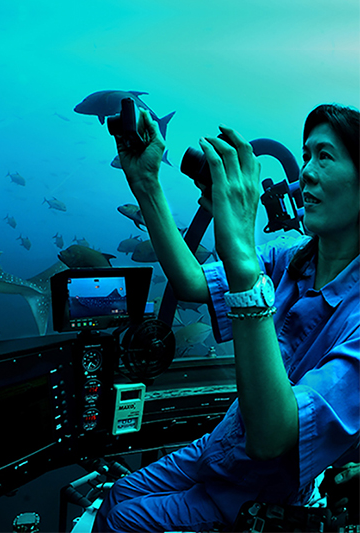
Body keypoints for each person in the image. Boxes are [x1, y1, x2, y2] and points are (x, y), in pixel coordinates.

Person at [93, 103, 359, 532]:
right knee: (117, 497)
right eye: (306, 155)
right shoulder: (293, 260)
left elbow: (273, 437)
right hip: (217, 449)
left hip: (256, 498)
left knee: (121, 522)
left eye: (324, 156)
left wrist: (241, 255)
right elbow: (192, 283)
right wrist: (146, 183)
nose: (307, 171)